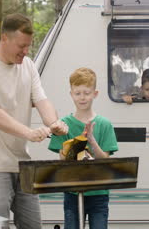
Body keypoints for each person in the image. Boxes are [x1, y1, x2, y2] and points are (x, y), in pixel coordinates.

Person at [0, 13, 68, 229]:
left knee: (33, 225)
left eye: (28, 46)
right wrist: (29, 133)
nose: (25, 51)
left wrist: (54, 124)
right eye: (21, 46)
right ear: (5, 38)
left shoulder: (28, 66)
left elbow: (41, 100)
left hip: (23, 165)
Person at [48, 67, 118, 229]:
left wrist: (91, 140)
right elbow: (63, 159)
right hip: (72, 192)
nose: (82, 97)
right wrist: (78, 145)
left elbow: (104, 160)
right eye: (78, 93)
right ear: (71, 94)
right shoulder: (63, 125)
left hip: (99, 193)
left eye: (87, 93)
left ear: (95, 94)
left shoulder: (104, 124)